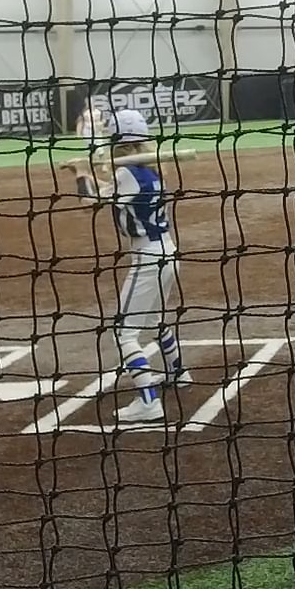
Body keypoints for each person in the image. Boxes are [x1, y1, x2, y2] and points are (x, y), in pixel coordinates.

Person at [95, 109, 189, 424]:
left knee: (123, 333)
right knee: (154, 319)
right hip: (167, 251)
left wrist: (81, 174)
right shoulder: (149, 170)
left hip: (147, 257)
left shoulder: (127, 173)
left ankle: (148, 402)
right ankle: (177, 372)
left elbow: (90, 201)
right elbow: (112, 190)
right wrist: (91, 175)